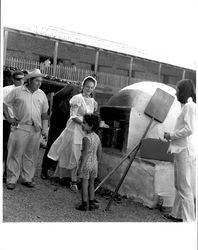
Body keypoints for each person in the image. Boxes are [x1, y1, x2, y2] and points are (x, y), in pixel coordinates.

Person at [48, 76, 98, 192]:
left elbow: (92, 116)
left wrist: (91, 126)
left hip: (86, 130)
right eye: (87, 86)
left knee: (84, 154)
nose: (89, 89)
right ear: (83, 86)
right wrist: (84, 124)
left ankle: (79, 178)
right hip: (76, 128)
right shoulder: (77, 98)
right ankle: (73, 180)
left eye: (91, 87)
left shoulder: (92, 101)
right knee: (75, 154)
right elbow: (73, 115)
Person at [3, 69, 49, 190]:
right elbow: (4, 103)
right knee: (15, 153)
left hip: (35, 129)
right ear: (29, 80)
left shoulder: (42, 94)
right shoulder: (17, 91)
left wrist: (44, 129)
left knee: (31, 155)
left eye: (41, 81)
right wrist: (9, 118)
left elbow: (44, 113)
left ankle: (27, 178)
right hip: (20, 126)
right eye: (37, 81)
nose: (39, 83)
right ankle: (11, 179)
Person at [164, 79, 196, 222]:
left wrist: (171, 135)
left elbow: (189, 130)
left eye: (177, 89)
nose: (176, 92)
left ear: (183, 91)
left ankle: (190, 221)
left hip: (185, 151)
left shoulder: (190, 106)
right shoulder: (186, 107)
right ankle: (176, 214)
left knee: (184, 188)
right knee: (179, 185)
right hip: (180, 149)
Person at [40, 83, 81, 179]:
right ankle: (44, 169)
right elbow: (57, 97)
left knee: (62, 146)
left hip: (68, 122)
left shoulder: (81, 95)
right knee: (52, 144)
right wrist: (58, 110)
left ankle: (55, 170)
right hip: (58, 120)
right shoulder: (72, 87)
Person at [76, 113, 102, 211]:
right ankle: (91, 203)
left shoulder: (86, 138)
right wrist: (97, 162)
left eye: (84, 123)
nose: (82, 124)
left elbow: (85, 154)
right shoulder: (97, 137)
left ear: (91, 126)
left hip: (86, 164)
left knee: (84, 184)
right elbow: (100, 152)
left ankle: (84, 204)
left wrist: (80, 167)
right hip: (94, 164)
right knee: (92, 183)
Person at [3, 70, 24, 179]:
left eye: (22, 79)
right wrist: (8, 118)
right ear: (13, 79)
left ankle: (10, 172)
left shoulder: (24, 91)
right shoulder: (7, 89)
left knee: (15, 149)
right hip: (6, 122)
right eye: (18, 79)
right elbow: (3, 104)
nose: (21, 81)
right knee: (5, 147)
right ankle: (4, 173)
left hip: (19, 124)